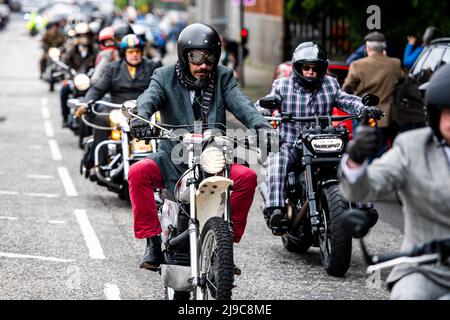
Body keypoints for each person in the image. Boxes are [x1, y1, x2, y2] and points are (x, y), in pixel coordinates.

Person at [127, 23, 272, 272]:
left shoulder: (223, 76)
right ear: (184, 55)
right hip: (173, 158)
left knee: (247, 177)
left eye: (210, 58)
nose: (203, 65)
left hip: (214, 159)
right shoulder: (164, 76)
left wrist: (262, 127)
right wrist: (141, 117)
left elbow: (243, 105)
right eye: (196, 57)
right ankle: (152, 241)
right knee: (137, 172)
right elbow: (148, 98)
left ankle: (224, 245)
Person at [339, 62, 450, 300]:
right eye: (449, 113)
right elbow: (365, 188)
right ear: (435, 113)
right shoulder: (413, 147)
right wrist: (356, 159)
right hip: (425, 269)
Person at [256, 41, 382, 232]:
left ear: (322, 69)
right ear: (298, 67)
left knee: (352, 161)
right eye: (306, 68)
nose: (310, 72)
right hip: (292, 143)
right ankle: (276, 208)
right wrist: (261, 109)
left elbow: (346, 100)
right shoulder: (282, 85)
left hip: (324, 141)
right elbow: (263, 104)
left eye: (315, 69)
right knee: (276, 159)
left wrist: (365, 108)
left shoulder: (330, 84)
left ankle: (364, 208)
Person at [74, 34, 160, 178]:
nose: (134, 55)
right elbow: (98, 89)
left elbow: (160, 88)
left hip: (145, 110)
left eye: (137, 52)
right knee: (100, 118)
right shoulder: (113, 68)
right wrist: (86, 103)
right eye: (130, 52)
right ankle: (99, 164)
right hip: (118, 108)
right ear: (123, 53)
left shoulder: (152, 67)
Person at [343, 31, 403, 157]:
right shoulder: (395, 64)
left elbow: (347, 88)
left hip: (362, 115)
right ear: (384, 48)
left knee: (362, 151)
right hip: (385, 118)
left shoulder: (357, 65)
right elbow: (402, 82)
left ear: (368, 48)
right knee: (380, 152)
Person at [60, 22, 98, 127]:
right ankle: (65, 117)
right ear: (77, 37)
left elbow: (99, 65)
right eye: (81, 36)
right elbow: (64, 62)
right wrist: (67, 74)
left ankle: (94, 118)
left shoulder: (95, 50)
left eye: (86, 35)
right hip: (75, 79)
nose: (84, 38)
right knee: (64, 90)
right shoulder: (72, 49)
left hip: (90, 80)